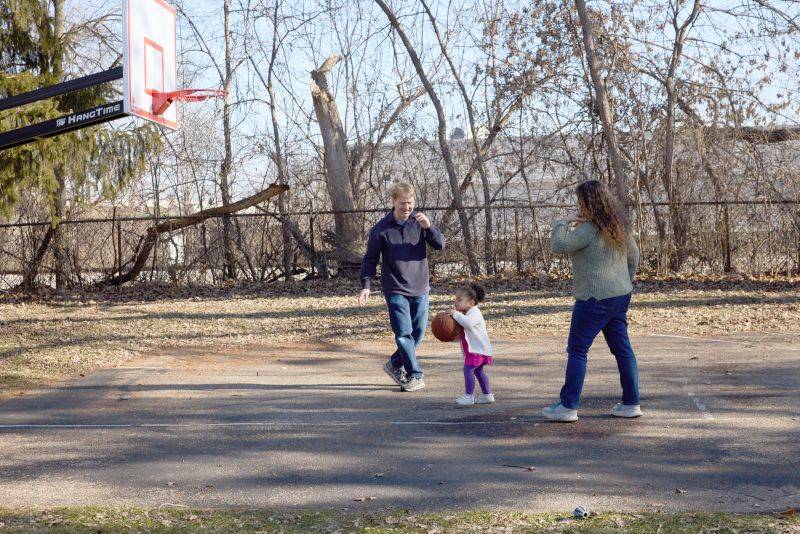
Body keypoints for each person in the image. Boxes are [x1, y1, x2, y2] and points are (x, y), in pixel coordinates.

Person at [542, 179, 641, 422]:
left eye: (580, 201)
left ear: (589, 203)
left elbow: (558, 245)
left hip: (594, 299)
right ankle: (631, 403)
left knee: (577, 350)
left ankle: (568, 406)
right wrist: (624, 282)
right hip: (619, 295)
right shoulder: (618, 225)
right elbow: (634, 256)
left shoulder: (588, 230)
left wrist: (564, 221)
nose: (578, 206)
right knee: (622, 350)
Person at [357, 182, 445, 392]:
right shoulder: (380, 230)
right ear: (393, 202)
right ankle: (414, 374)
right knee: (403, 332)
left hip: (420, 287)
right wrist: (366, 285)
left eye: (410, 203)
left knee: (418, 333)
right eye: (402, 203)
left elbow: (440, 244)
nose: (407, 207)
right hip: (395, 288)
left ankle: (395, 363)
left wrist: (429, 228)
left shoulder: (420, 223)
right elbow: (370, 259)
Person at [447, 283, 494, 406]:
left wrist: (455, 314)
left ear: (471, 303)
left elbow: (468, 324)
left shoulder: (474, 312)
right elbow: (464, 333)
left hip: (477, 350)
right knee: (478, 371)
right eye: (455, 299)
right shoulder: (466, 314)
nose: (456, 302)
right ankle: (487, 395)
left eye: (459, 300)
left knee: (468, 370)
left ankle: (469, 396)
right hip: (478, 349)